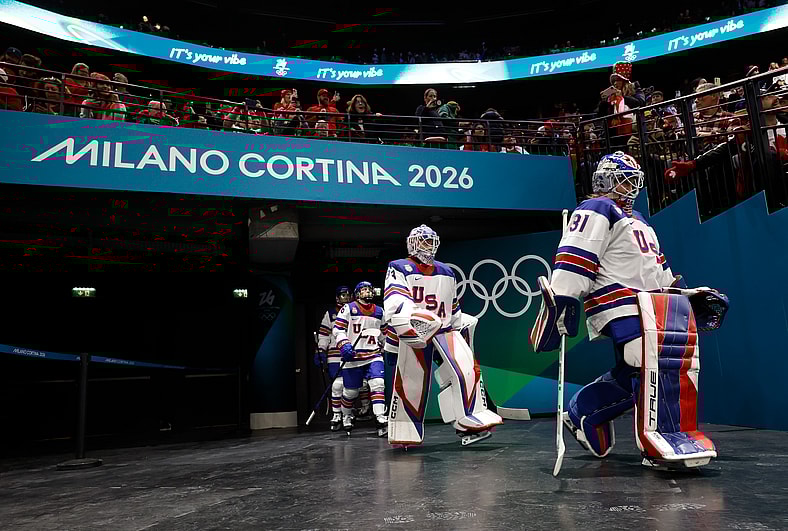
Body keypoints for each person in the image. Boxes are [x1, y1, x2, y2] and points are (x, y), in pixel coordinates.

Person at [530, 151, 729, 469]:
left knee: (645, 366)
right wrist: (563, 299)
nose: (630, 187)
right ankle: (657, 440)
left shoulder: (640, 219)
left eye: (634, 181)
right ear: (604, 180)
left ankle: (587, 408)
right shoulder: (596, 207)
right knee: (646, 360)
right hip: (618, 302)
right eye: (623, 180)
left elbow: (657, 269)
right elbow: (576, 255)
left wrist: (683, 296)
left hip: (652, 305)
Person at [384, 225, 503, 447]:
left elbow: (453, 305)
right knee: (411, 383)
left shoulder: (446, 271)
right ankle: (405, 431)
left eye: (431, 242)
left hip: (444, 331)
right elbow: (396, 301)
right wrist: (405, 328)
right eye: (423, 242)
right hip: (416, 331)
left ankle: (467, 423)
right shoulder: (399, 268)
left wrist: (458, 328)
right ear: (412, 243)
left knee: (466, 374)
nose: (428, 247)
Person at [332, 282, 388, 436]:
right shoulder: (348, 308)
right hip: (353, 356)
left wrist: (387, 347)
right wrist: (344, 345)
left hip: (373, 354)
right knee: (350, 392)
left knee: (378, 384)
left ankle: (380, 417)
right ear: (357, 294)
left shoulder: (379, 311)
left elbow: (384, 334)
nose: (367, 292)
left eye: (369, 289)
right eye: (363, 290)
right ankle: (347, 415)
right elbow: (338, 329)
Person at [316, 285, 352, 431]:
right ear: (337, 298)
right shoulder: (330, 314)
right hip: (335, 354)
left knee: (350, 388)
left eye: (348, 295)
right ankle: (337, 414)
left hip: (351, 353)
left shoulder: (356, 311)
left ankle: (347, 415)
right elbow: (324, 335)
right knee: (337, 385)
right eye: (343, 295)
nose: (346, 297)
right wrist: (320, 352)